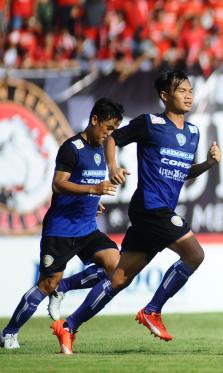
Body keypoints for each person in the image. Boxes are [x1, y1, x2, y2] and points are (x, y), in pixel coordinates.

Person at [50, 70, 221, 355]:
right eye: (182, 90)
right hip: (150, 208)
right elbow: (113, 138)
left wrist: (207, 165)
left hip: (159, 211)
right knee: (195, 254)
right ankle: (152, 310)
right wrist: (113, 167)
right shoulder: (150, 124)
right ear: (165, 96)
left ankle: (68, 326)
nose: (189, 95)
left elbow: (181, 173)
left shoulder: (192, 133)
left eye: (191, 90)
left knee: (119, 278)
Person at [1, 98, 125, 349]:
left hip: (87, 227)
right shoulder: (72, 148)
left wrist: (93, 202)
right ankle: (9, 332)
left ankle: (65, 287)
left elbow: (86, 182)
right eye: (108, 128)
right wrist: (94, 189)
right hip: (61, 229)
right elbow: (58, 184)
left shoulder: (101, 149)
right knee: (47, 284)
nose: (109, 134)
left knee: (118, 267)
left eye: (114, 129)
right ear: (94, 120)